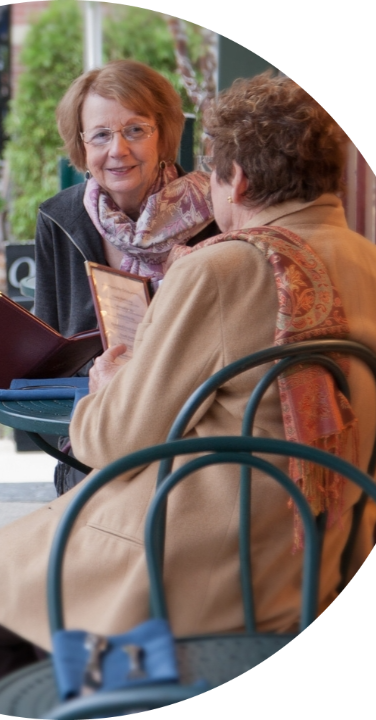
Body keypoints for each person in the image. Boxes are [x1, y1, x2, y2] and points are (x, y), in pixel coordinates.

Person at [0, 73, 376, 706]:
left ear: (234, 179)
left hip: (211, 571)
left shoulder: (224, 265)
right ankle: (110, 680)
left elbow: (114, 442)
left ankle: (114, 687)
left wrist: (107, 380)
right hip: (336, 562)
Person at [34, 60, 218, 494]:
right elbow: (48, 348)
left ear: (164, 134)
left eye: (135, 130)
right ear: (82, 144)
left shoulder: (215, 214)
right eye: (101, 135)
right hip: (95, 420)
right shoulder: (58, 217)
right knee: (97, 489)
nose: (117, 150)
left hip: (193, 419)